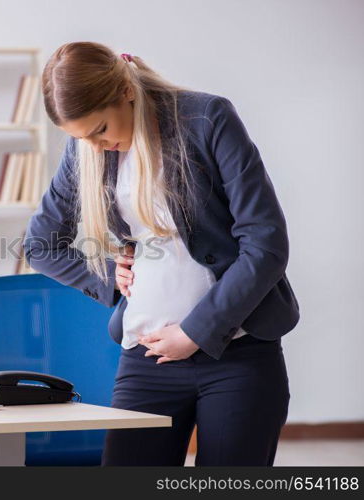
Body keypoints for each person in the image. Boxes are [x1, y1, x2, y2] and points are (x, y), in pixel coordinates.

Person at [23, 41, 300, 466]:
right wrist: (107, 277)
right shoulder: (87, 148)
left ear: (125, 94)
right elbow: (41, 244)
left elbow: (265, 243)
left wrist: (194, 333)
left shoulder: (207, 119)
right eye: (80, 138)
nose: (94, 146)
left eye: (99, 130)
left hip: (238, 357)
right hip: (146, 358)